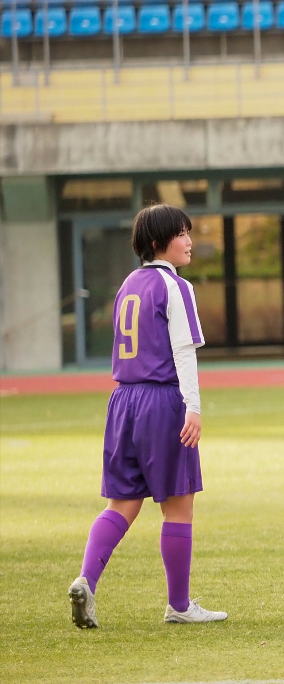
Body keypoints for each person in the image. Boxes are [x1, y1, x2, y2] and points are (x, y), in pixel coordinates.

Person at [68, 204, 227, 629]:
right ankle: (179, 605)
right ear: (158, 243)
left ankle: (86, 580)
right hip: (162, 402)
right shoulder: (176, 286)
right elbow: (184, 352)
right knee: (178, 506)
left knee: (121, 502)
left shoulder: (128, 284)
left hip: (123, 401)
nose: (190, 241)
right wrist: (193, 406)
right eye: (182, 234)